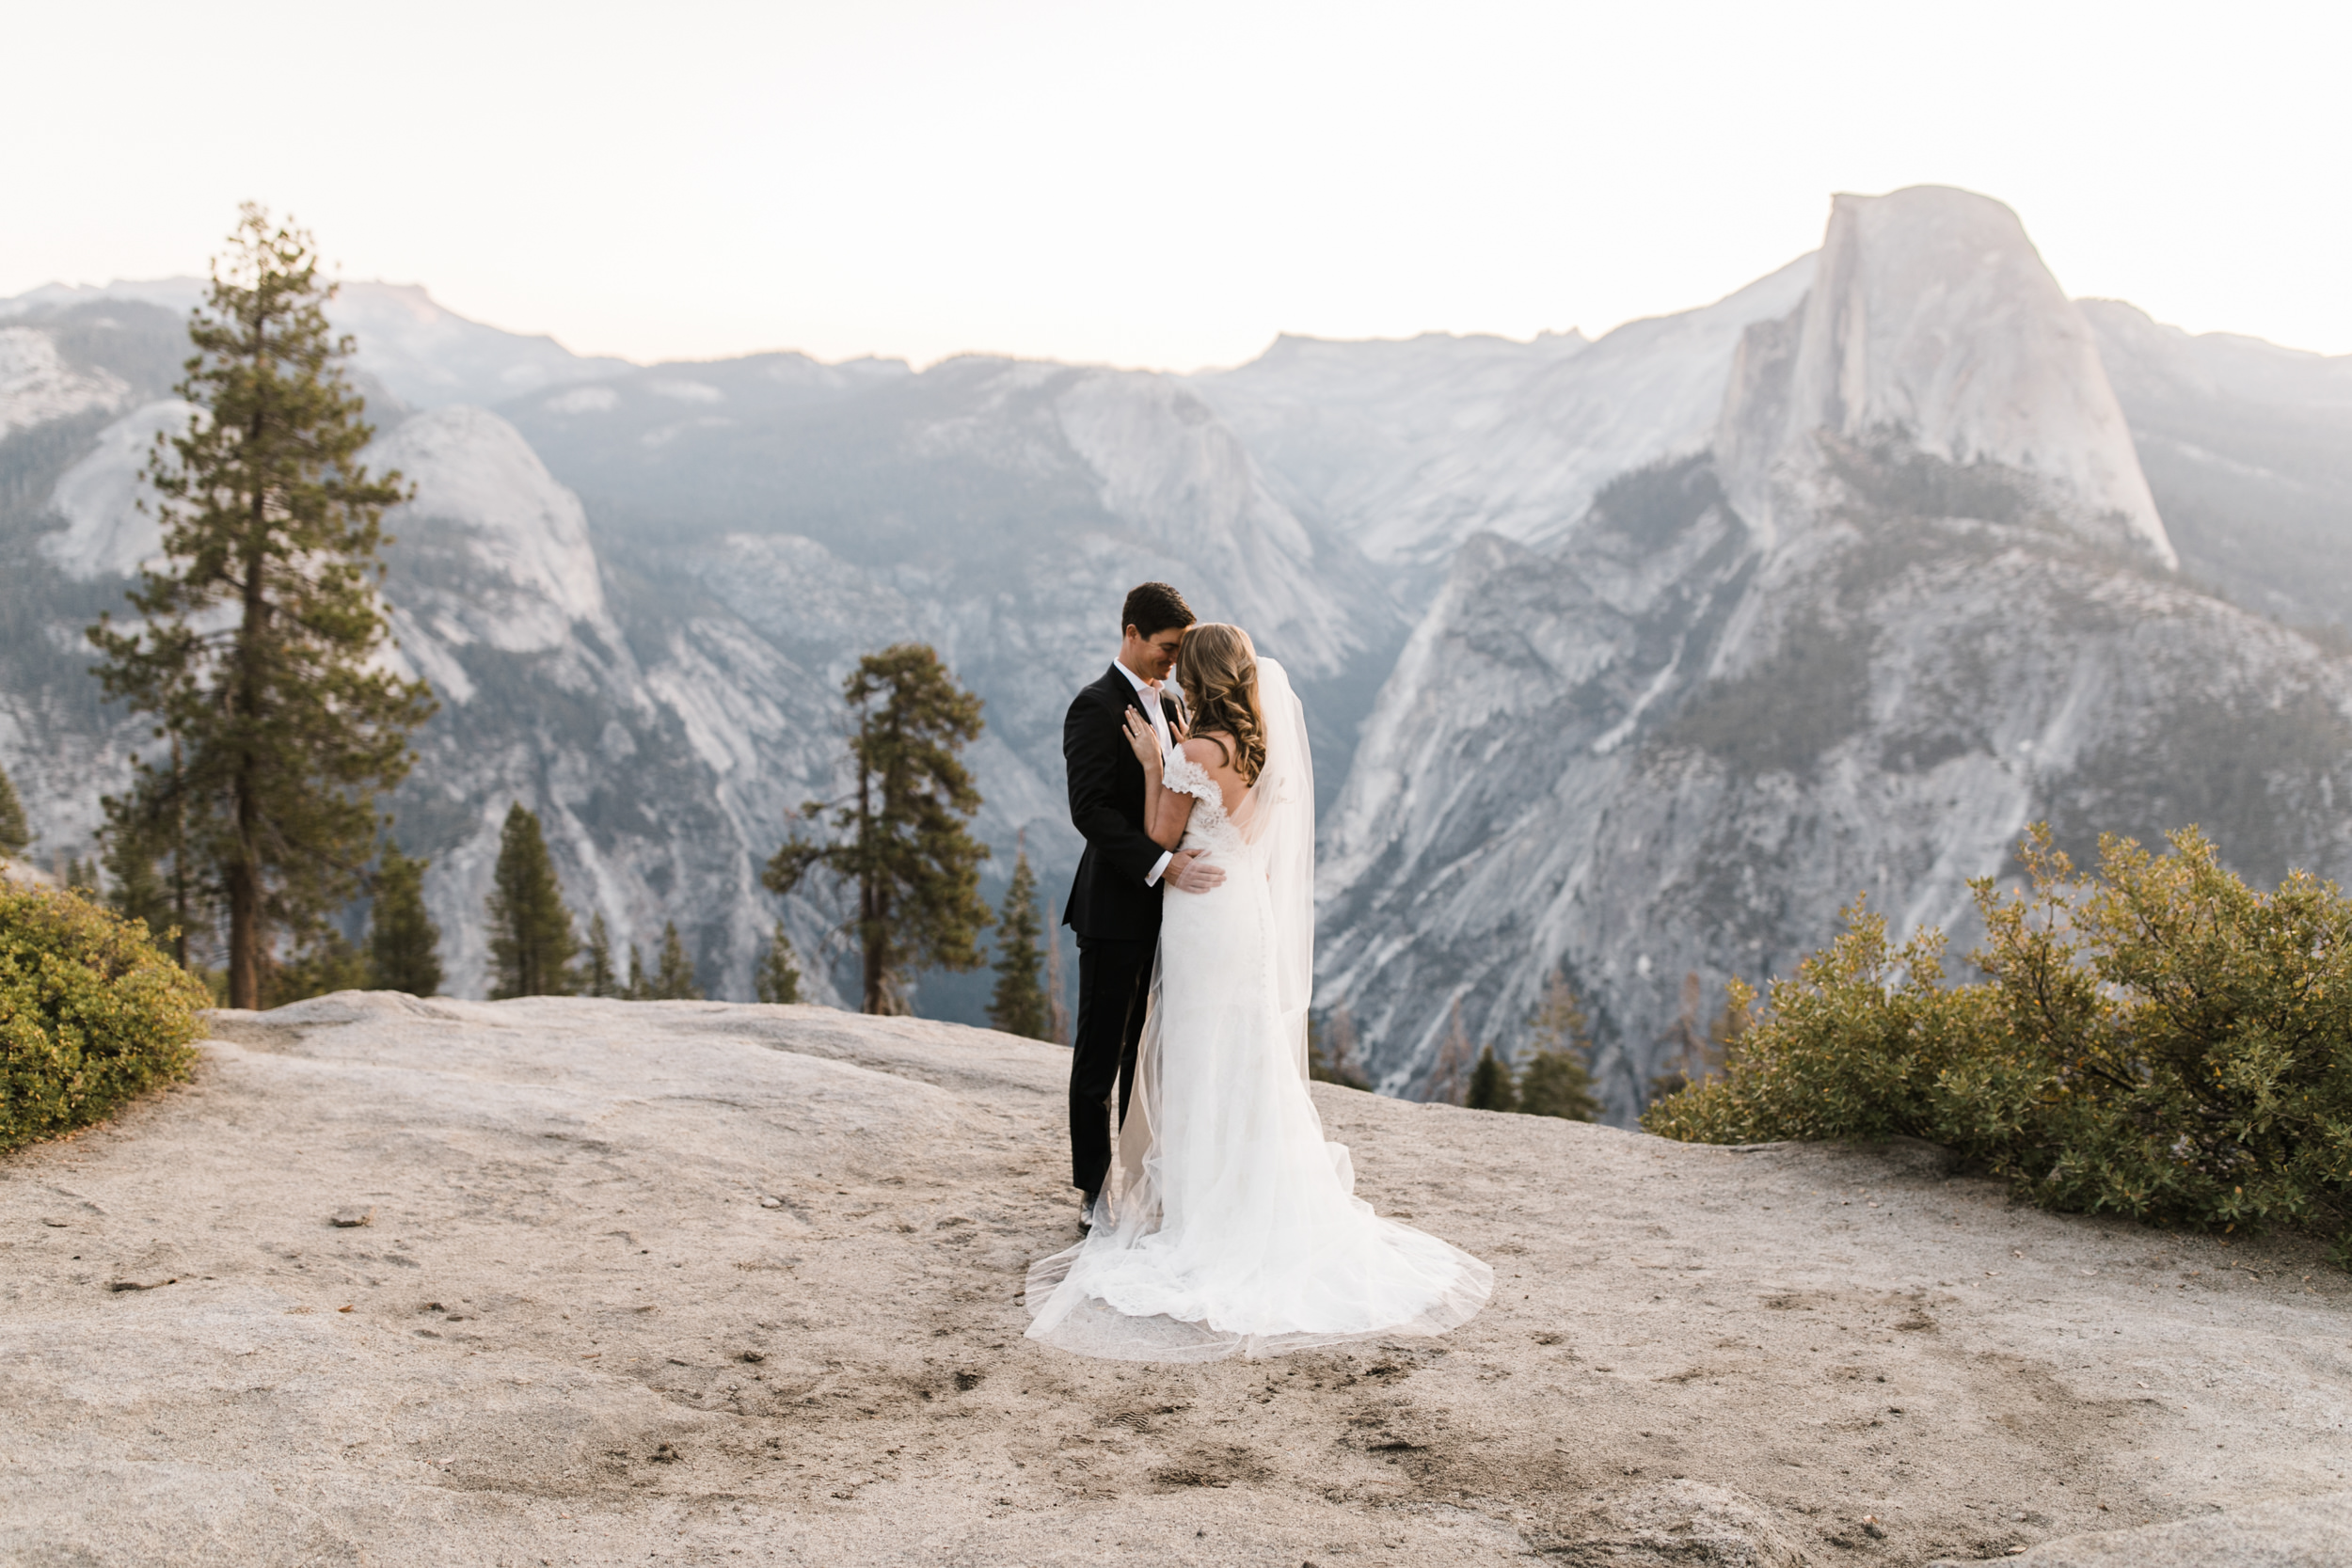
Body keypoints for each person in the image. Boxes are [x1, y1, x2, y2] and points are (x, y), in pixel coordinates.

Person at [1028, 622, 1492, 1361]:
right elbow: (1253, 839)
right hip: (1243, 908)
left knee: (1196, 1052)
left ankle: (1198, 1208)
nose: (1174, 669)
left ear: (1202, 678)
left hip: (1201, 914)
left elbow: (1161, 832)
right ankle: (1249, 1192)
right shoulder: (1259, 745)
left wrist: (1155, 763)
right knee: (1243, 1054)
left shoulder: (1194, 751)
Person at [1059, 583, 1224, 1232]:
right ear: (1131, 632)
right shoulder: (1093, 706)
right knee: (1100, 1057)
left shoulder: (1177, 702)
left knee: (1147, 1057)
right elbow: (1090, 810)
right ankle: (1094, 1194)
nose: (1173, 664)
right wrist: (1164, 865)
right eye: (1165, 649)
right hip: (1114, 909)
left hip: (1172, 917)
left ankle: (1146, 1182)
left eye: (1180, 652)